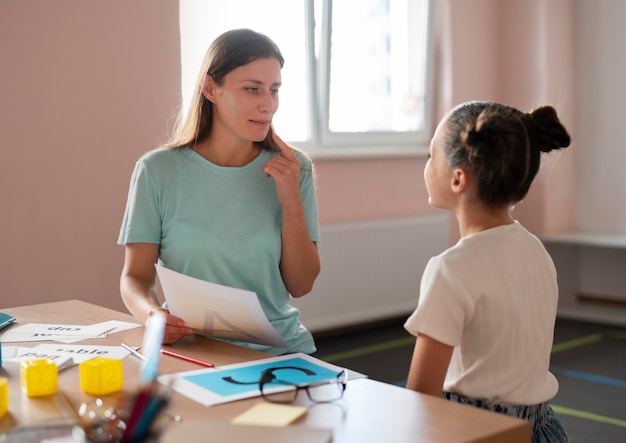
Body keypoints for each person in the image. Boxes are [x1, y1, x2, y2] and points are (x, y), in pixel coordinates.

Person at [118, 28, 321, 356]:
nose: (268, 105)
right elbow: (134, 277)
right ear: (211, 88)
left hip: (280, 352)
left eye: (274, 90)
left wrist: (290, 200)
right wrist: (151, 315)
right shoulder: (156, 170)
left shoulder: (295, 169)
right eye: (253, 89)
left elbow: (301, 285)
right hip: (192, 350)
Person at [404, 101, 571, 442]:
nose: (426, 165)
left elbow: (421, 396)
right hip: (541, 429)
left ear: (458, 178)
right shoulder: (536, 251)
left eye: (430, 155)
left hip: (474, 430)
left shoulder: (450, 269)